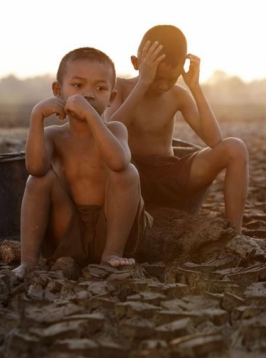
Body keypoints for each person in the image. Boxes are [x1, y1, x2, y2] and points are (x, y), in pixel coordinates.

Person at [13, 47, 152, 279]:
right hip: (68, 229)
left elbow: (118, 162)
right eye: (78, 86)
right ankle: (28, 261)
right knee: (38, 180)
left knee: (128, 173)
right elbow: (35, 168)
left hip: (112, 227)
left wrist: (90, 116)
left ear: (111, 98)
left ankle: (112, 254)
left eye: (100, 88)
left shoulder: (116, 129)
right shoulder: (53, 136)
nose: (88, 94)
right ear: (58, 91)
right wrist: (36, 117)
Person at [105, 25, 249, 233]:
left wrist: (195, 87)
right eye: (157, 77)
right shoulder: (121, 88)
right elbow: (111, 132)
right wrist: (143, 83)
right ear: (137, 64)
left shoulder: (178, 95)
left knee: (235, 147)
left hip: (171, 175)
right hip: (132, 175)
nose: (163, 86)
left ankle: (234, 231)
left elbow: (214, 140)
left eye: (171, 79)